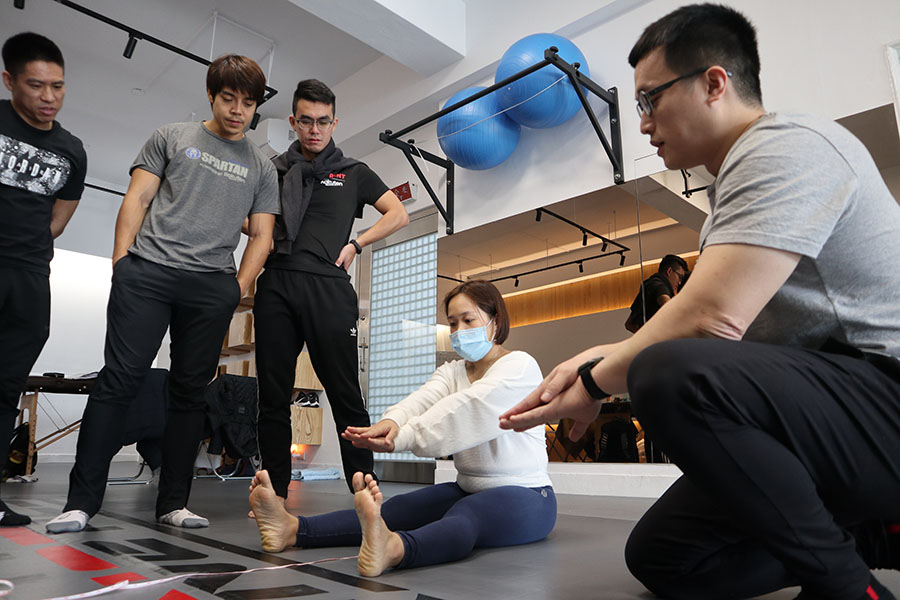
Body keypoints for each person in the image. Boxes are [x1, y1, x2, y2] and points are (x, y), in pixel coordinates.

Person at [499, 4, 900, 600]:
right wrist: (592, 359)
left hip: (885, 401)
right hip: (830, 418)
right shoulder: (729, 198)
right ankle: (872, 532)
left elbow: (712, 322)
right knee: (666, 558)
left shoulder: (786, 147)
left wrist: (594, 382)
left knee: (667, 373)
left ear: (714, 83)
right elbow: (725, 334)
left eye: (649, 99)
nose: (642, 123)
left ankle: (847, 588)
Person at [46, 54, 279, 533]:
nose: (237, 110)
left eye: (248, 102)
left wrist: (236, 289)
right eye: (228, 98)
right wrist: (121, 262)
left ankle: (174, 502)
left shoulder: (261, 166)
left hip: (211, 285)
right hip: (149, 272)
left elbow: (262, 235)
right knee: (119, 381)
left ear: (256, 106)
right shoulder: (172, 136)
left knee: (190, 394)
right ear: (211, 95)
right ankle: (80, 503)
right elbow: (138, 197)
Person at [249, 280, 556, 576]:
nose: (459, 331)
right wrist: (391, 422)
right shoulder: (453, 371)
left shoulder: (520, 366)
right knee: (398, 510)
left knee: (468, 515)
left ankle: (394, 549)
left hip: (529, 496)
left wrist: (404, 437)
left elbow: (466, 409)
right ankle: (292, 529)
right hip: (466, 488)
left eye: (468, 320)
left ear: (495, 321)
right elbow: (422, 399)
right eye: (452, 324)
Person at [252, 79, 408, 507]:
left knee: (346, 395)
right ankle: (276, 492)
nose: (314, 129)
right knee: (273, 396)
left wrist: (357, 243)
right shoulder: (273, 171)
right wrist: (261, 234)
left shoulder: (353, 172)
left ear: (334, 123)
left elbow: (398, 213)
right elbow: (250, 220)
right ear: (293, 121)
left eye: (323, 121)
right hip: (278, 283)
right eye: (306, 121)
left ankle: (363, 490)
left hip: (329, 285)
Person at [0, 32, 86, 527]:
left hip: (30, 277)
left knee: (5, 389)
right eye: (36, 85)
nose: (49, 96)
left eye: (58, 86)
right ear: (9, 80)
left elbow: (58, 219)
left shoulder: (72, 150)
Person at [624, 253, 688, 333]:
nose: (679, 282)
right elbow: (666, 304)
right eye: (680, 277)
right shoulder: (661, 286)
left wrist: (649, 336)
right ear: (669, 271)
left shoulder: (649, 285)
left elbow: (629, 324)